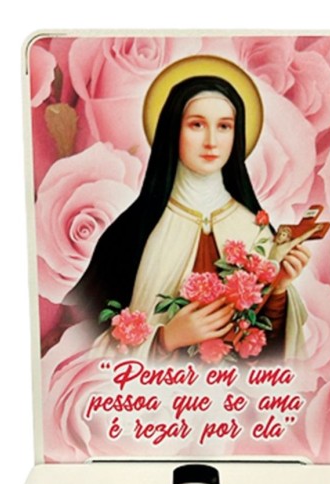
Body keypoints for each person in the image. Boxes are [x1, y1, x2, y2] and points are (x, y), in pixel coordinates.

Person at [68, 74, 310, 361]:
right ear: (173, 130)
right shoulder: (133, 233)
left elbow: (273, 352)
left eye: (224, 126)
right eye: (197, 125)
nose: (211, 142)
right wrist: (165, 339)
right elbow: (82, 336)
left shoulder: (254, 229)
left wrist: (279, 290)